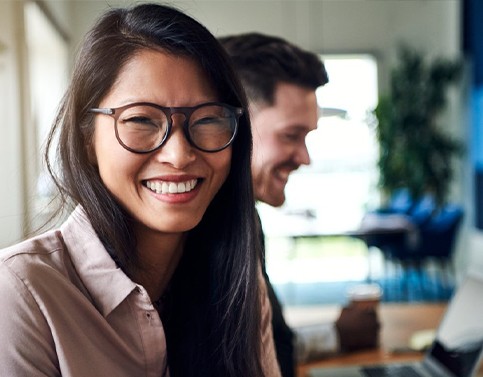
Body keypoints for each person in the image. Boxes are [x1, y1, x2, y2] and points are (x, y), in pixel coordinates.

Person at [0, 5, 280, 377]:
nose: (179, 155)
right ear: (87, 139)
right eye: (141, 119)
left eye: (209, 118)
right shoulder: (21, 292)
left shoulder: (239, 283)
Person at [220, 33, 379, 377]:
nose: (305, 158)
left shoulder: (243, 221)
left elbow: (265, 349)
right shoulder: (201, 237)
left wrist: (335, 336)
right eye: (291, 136)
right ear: (226, 126)